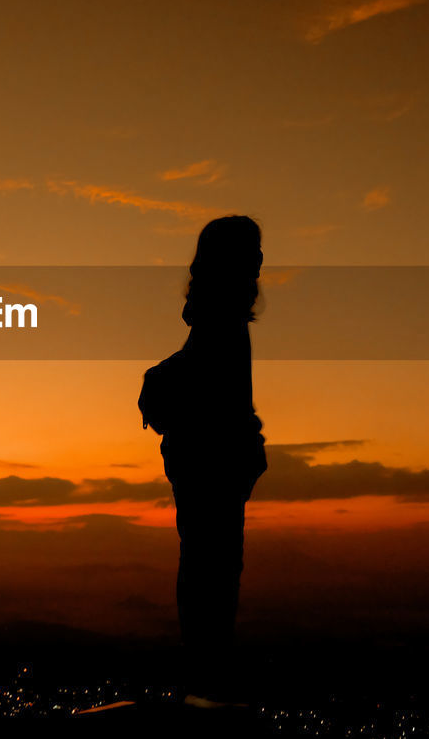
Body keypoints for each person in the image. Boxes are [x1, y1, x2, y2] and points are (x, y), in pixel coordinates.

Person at [155, 215, 267, 707]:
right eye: (252, 254)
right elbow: (211, 394)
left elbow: (210, 393)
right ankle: (205, 683)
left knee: (208, 575)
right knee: (211, 575)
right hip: (212, 471)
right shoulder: (221, 327)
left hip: (210, 470)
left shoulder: (221, 328)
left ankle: (205, 682)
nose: (261, 264)